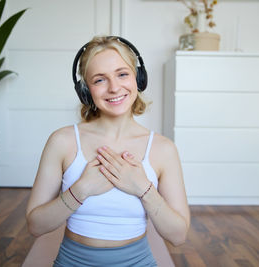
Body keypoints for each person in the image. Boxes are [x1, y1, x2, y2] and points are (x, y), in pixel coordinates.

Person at [26, 36, 190, 266]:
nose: (114, 87)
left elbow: (178, 235)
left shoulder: (163, 149)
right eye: (100, 79)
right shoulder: (62, 141)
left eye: (122, 74)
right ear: (85, 90)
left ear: (138, 78)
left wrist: (143, 188)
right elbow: (35, 225)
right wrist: (81, 190)